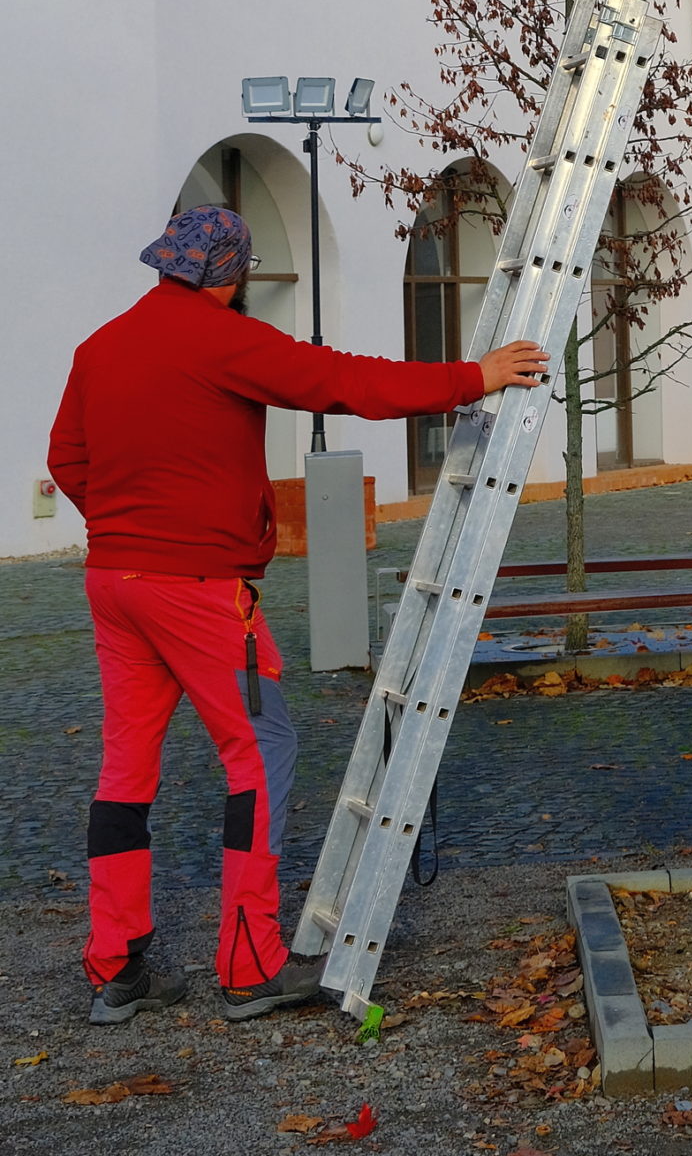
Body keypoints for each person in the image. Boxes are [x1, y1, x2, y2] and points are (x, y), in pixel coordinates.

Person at [47, 206, 549, 1026]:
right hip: (200, 588)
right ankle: (249, 964)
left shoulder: (100, 347)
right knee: (261, 753)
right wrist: (475, 376)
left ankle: (116, 966)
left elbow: (65, 459)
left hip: (114, 581)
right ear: (232, 276)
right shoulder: (224, 338)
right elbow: (344, 382)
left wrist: (127, 526)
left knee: (124, 771)